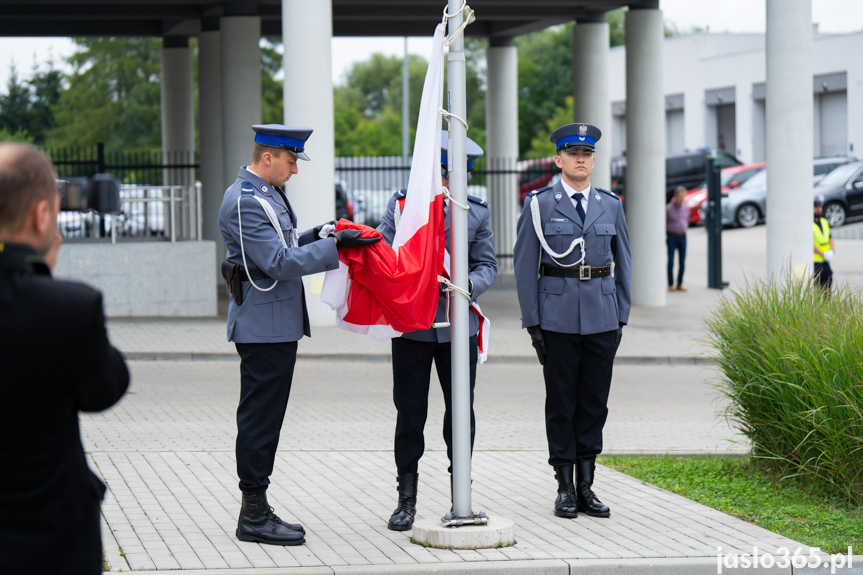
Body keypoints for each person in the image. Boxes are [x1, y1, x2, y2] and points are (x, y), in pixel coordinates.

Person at [217, 124, 379, 546]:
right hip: (262, 325)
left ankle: (257, 506)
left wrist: (322, 234)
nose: (295, 170)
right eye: (291, 161)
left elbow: (286, 243)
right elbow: (276, 262)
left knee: (266, 419)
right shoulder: (245, 201)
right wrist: (335, 249)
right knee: (259, 421)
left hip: (274, 324)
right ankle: (252, 512)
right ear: (267, 157)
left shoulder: (265, 195)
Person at [0, 142, 130, 574]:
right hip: (48, 543)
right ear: (41, 217)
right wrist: (43, 278)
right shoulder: (70, 308)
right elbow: (105, 389)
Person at [377, 131, 497, 531]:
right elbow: (385, 257)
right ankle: (406, 500)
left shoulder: (475, 212)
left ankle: (460, 494)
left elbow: (487, 266)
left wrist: (465, 286)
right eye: (442, 173)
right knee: (410, 415)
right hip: (413, 327)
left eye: (454, 174)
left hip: (456, 328)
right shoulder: (402, 207)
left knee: (460, 415)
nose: (447, 182)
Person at [513, 123, 632, 520]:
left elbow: (624, 263)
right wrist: (533, 324)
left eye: (587, 154)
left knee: (594, 404)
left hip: (601, 316)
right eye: (572, 153)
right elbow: (526, 264)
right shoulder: (539, 204)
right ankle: (564, 487)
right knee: (562, 403)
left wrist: (622, 318)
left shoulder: (611, 205)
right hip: (558, 318)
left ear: (593, 160)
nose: (580, 159)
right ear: (559, 159)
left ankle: (587, 486)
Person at [666, 185, 689, 292]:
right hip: (672, 236)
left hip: (683, 236)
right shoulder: (668, 209)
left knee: (682, 261)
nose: (682, 198)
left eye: (683, 196)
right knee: (671, 261)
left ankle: (680, 283)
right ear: (675, 196)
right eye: (680, 196)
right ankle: (671, 284)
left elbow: (686, 220)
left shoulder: (686, 208)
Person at [813, 194, 835, 290]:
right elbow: (809, 244)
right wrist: (823, 254)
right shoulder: (808, 224)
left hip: (826, 261)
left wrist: (832, 251)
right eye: (816, 207)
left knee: (827, 287)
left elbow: (830, 237)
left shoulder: (824, 221)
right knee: (817, 290)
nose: (818, 209)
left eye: (820, 207)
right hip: (815, 262)